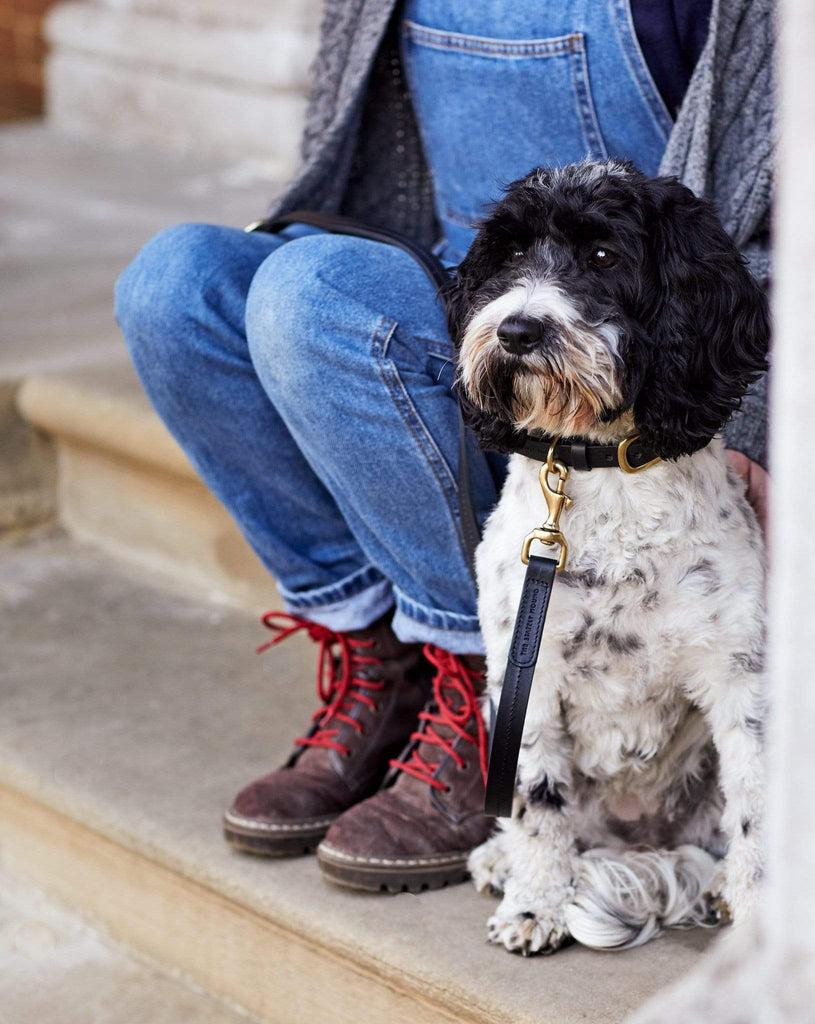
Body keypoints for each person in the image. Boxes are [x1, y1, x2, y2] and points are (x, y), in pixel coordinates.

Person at [114, 0, 774, 891]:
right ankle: (385, 652)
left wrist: (748, 421)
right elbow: (359, 168)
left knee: (314, 294)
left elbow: (801, 199)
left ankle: (479, 682)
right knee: (174, 283)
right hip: (469, 298)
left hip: (632, 347)